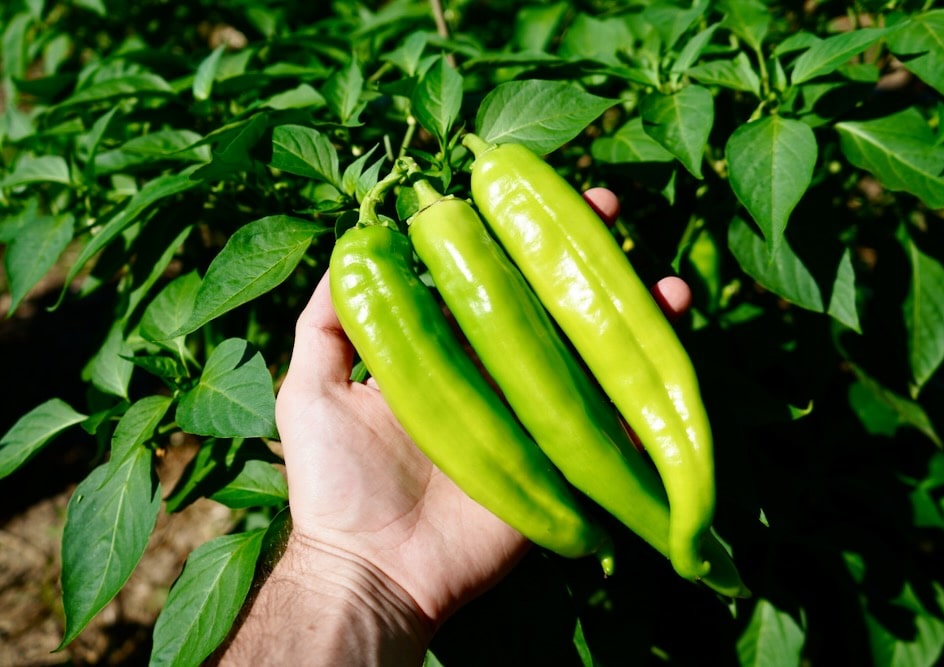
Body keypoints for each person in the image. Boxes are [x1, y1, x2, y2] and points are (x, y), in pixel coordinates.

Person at [210, 188, 693, 665]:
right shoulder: (361, 261)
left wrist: (346, 568)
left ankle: (685, 537)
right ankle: (682, 542)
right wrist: (350, 562)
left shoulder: (358, 263)